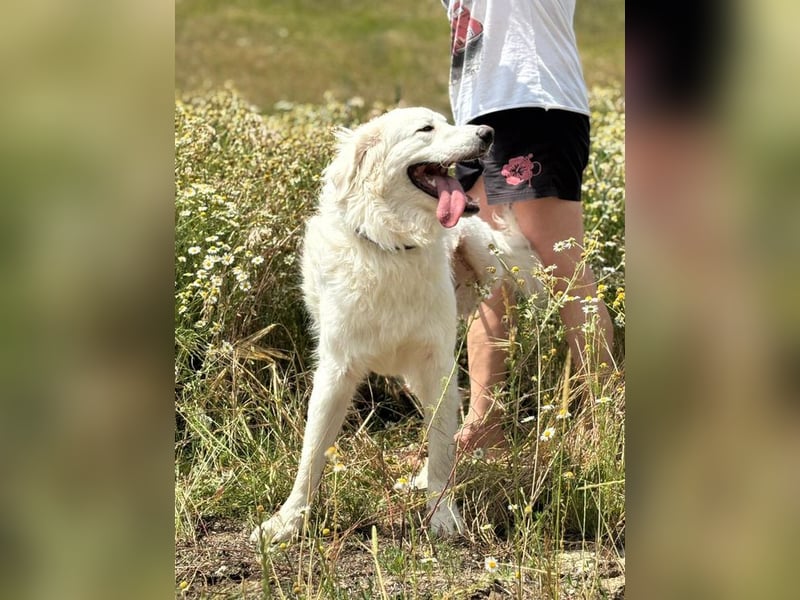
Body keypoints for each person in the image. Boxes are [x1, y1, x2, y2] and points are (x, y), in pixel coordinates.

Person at [441, 0, 615, 453]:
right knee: (486, 274)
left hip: (536, 105)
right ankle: (484, 427)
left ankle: (604, 422)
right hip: (477, 116)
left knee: (565, 268)